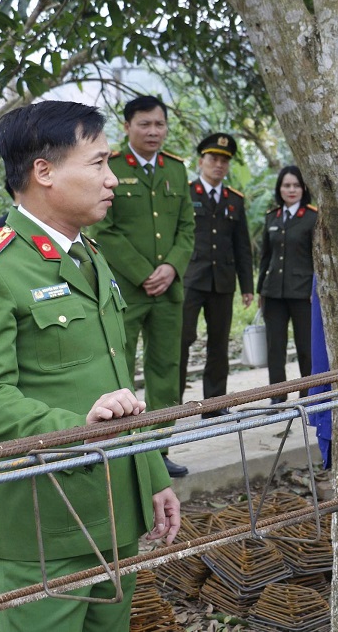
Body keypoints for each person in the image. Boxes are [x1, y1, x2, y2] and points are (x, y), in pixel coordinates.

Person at [0, 101, 180, 632]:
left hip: (115, 509)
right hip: (46, 522)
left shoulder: (89, 254)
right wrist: (78, 428)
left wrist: (153, 474)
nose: (112, 179)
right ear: (44, 172)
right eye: (97, 163)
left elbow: (116, 381)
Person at [89, 95, 195, 478]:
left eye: (159, 124)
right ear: (127, 127)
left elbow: (187, 227)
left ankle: (158, 450)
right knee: (120, 367)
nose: (153, 131)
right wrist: (144, 273)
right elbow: (104, 228)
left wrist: (171, 268)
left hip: (168, 290)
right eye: (144, 124)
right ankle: (123, 451)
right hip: (126, 290)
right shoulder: (112, 167)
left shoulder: (176, 170)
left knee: (166, 369)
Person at [180, 133, 254, 419]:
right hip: (190, 278)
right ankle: (173, 404)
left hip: (222, 281)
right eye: (213, 159)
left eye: (224, 160)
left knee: (219, 343)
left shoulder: (234, 200)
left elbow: (242, 246)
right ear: (201, 162)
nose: (218, 165)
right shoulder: (186, 194)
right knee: (182, 339)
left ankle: (213, 404)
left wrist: (247, 286)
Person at [256, 165, 317, 401]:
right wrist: (260, 290)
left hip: (303, 293)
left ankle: (308, 395)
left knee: (306, 348)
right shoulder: (272, 216)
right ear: (279, 189)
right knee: (275, 349)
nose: (291, 190)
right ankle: (277, 397)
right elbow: (265, 257)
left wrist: (316, 289)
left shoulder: (312, 217)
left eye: (296, 185)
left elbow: (318, 259)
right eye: (286, 185)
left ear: (304, 189)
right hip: (273, 293)